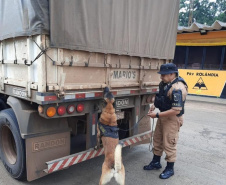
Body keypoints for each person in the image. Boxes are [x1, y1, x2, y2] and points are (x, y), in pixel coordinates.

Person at [143, 63, 188, 179]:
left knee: (169, 143)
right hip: (163, 115)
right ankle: (156, 162)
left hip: (172, 118)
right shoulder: (165, 83)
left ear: (172, 74)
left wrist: (157, 115)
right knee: (157, 139)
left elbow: (176, 110)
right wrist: (154, 106)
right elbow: (161, 96)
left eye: (163, 75)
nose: (161, 77)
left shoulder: (178, 88)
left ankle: (169, 168)